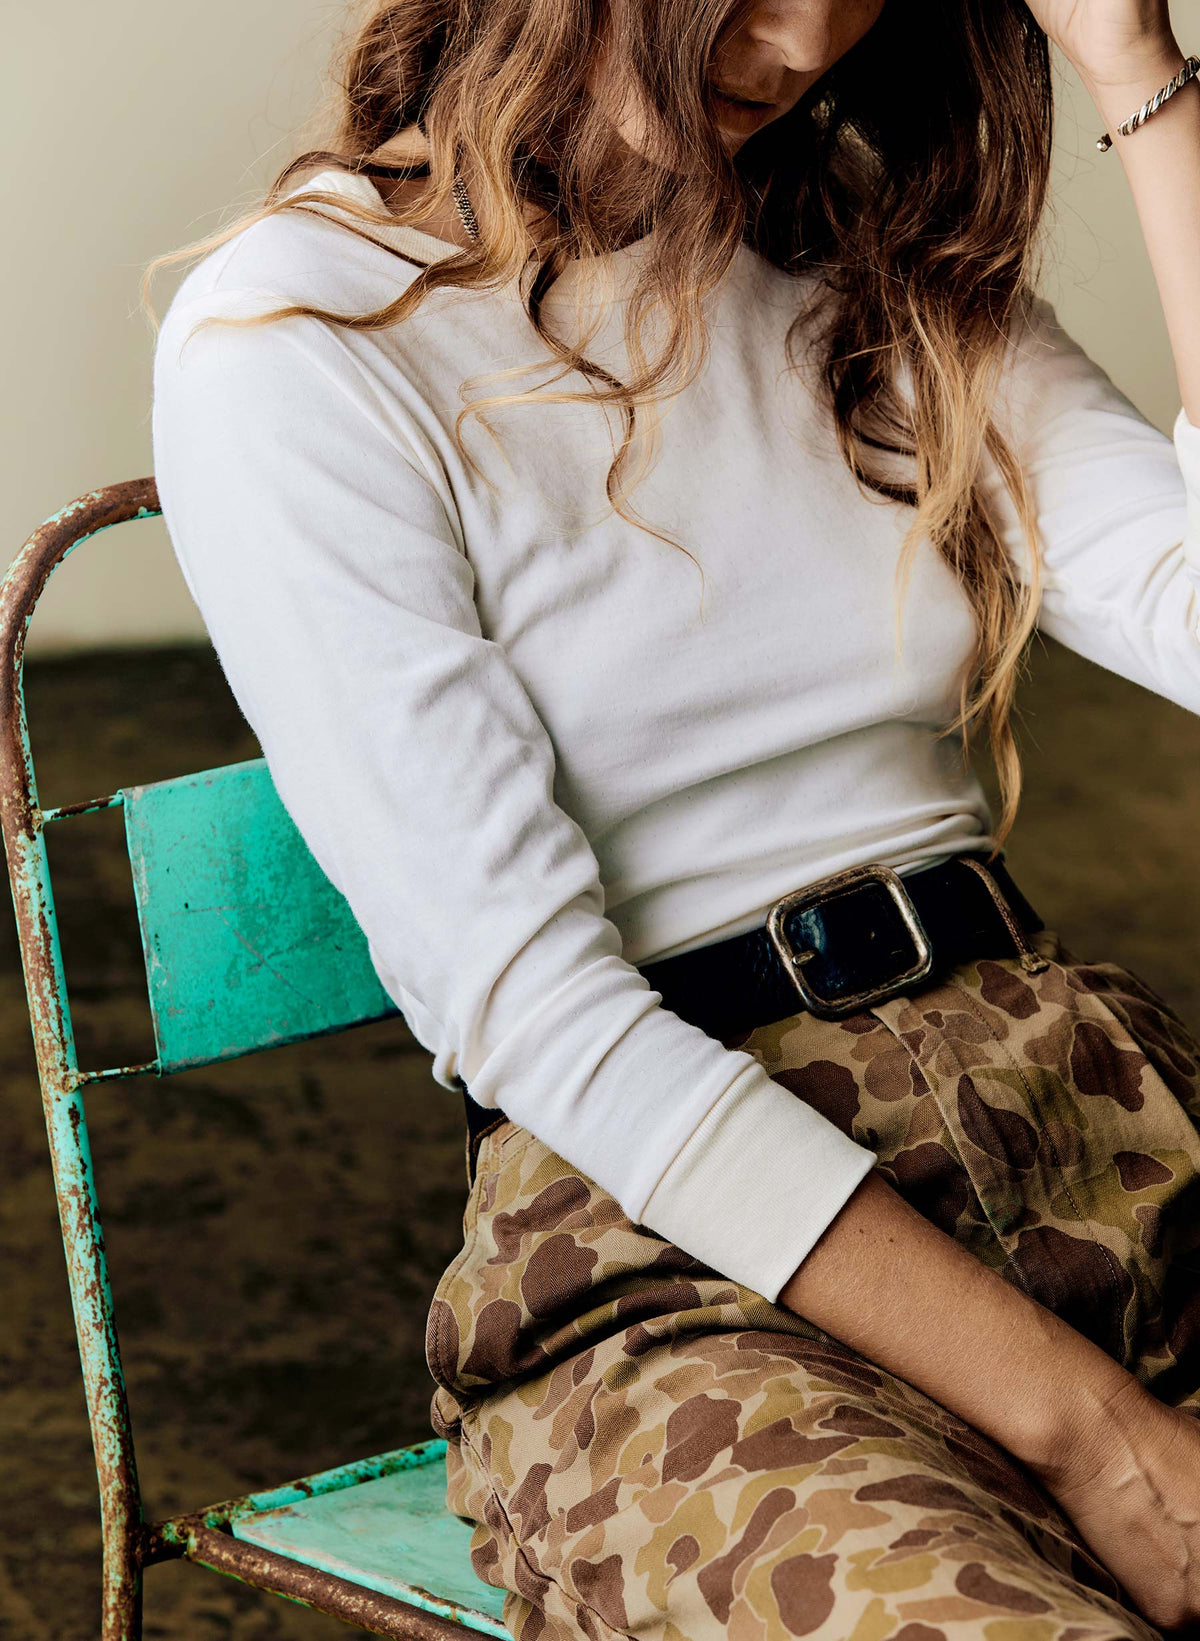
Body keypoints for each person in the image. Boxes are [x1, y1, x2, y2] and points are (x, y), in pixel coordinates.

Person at [146, 0, 1200, 1633]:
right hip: (680, 1243)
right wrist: (1095, 1432)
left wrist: (1140, 71)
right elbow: (535, 1009)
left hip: (1087, 1114)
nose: (803, 35)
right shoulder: (297, 336)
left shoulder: (863, 246)